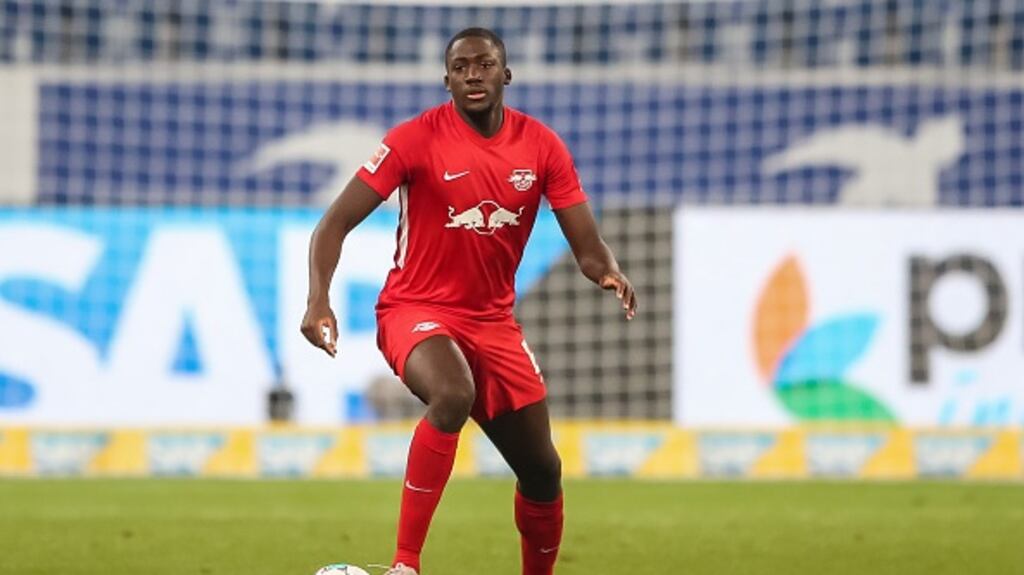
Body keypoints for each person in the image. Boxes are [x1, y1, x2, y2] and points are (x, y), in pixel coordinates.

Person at [300, 27, 637, 575]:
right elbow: (332, 225)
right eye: (461, 67)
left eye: (484, 65)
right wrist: (318, 300)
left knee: (543, 472)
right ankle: (405, 565)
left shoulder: (542, 146)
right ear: (447, 79)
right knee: (454, 392)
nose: (473, 75)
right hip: (415, 308)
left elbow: (588, 246)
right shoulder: (413, 140)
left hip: (493, 324)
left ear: (505, 74)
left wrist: (608, 272)